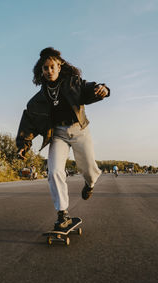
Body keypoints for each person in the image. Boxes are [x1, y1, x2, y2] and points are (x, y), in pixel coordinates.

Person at [16, 47, 110, 230]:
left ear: (60, 67)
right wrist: (23, 145)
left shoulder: (73, 83)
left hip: (80, 131)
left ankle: (89, 184)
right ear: (41, 71)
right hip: (58, 134)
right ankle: (63, 214)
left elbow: (89, 88)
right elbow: (29, 122)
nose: (49, 71)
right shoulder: (38, 99)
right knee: (54, 171)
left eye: (52, 67)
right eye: (45, 68)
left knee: (89, 170)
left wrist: (102, 89)